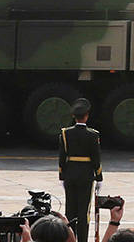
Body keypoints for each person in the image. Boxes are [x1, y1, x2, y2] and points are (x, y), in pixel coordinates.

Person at [59, 98, 102, 241]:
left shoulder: (65, 133)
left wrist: (62, 175)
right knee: (84, 211)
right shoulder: (93, 134)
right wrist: (99, 176)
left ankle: (69, 238)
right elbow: (96, 158)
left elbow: (62, 157)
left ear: (73, 116)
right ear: (87, 115)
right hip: (86, 175)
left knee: (70, 209)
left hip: (70, 174)